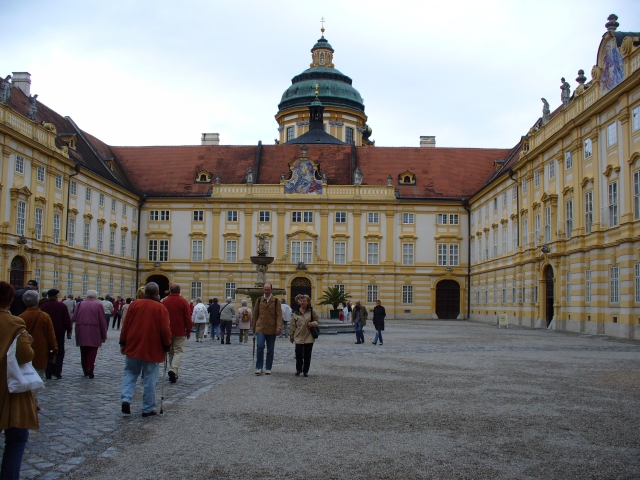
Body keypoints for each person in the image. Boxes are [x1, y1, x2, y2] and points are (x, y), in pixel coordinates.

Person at [0, 281, 39, 480]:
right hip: (9, 388)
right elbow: (25, 355)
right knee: (17, 438)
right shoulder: (15, 323)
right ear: (9, 301)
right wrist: (29, 343)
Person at [119, 282, 172, 417]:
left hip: (133, 345)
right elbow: (165, 330)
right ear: (157, 293)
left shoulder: (134, 305)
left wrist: (123, 342)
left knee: (130, 373)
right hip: (152, 347)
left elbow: (126, 325)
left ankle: (126, 399)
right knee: (150, 378)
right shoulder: (160, 308)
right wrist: (167, 344)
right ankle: (148, 408)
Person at [18, 290, 58, 392]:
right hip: (40, 353)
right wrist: (53, 352)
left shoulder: (20, 317)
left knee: (25, 380)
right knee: (37, 380)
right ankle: (32, 400)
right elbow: (51, 337)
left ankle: (30, 399)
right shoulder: (44, 316)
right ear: (37, 302)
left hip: (25, 353)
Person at [72, 290, 107, 378]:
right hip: (94, 330)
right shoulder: (98, 305)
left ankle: (85, 370)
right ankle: (90, 368)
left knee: (83, 351)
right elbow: (102, 321)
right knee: (93, 350)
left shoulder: (79, 304)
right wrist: (103, 335)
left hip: (81, 329)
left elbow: (74, 318)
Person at [162, 284, 192, 383]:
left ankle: (174, 372)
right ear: (179, 291)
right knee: (179, 351)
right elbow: (187, 317)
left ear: (170, 290)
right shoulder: (183, 301)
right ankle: (174, 370)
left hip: (167, 330)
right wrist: (188, 330)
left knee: (171, 352)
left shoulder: (164, 301)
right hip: (179, 330)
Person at [40, 289, 72, 379]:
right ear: (56, 296)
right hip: (59, 332)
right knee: (59, 351)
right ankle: (57, 371)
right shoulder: (61, 306)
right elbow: (66, 320)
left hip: (46, 333)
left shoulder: (44, 306)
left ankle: (48, 372)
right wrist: (69, 330)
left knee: (48, 351)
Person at [251, 283, 282, 375]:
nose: (266, 291)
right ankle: (259, 367)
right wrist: (253, 327)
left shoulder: (276, 301)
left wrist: (279, 327)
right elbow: (255, 314)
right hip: (260, 327)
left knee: (270, 350)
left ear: (271, 290)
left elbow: (279, 315)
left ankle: (268, 368)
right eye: (265, 289)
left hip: (271, 328)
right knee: (260, 346)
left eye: (268, 289)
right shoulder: (259, 300)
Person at [289, 294, 319, 377]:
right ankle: (298, 369)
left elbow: (317, 321)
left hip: (308, 336)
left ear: (308, 302)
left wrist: (312, 324)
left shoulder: (312, 311)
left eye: (304, 301)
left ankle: (305, 370)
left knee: (307, 354)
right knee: (298, 353)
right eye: (301, 301)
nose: (302, 302)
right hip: (298, 336)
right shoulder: (296, 312)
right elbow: (292, 325)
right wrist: (291, 335)